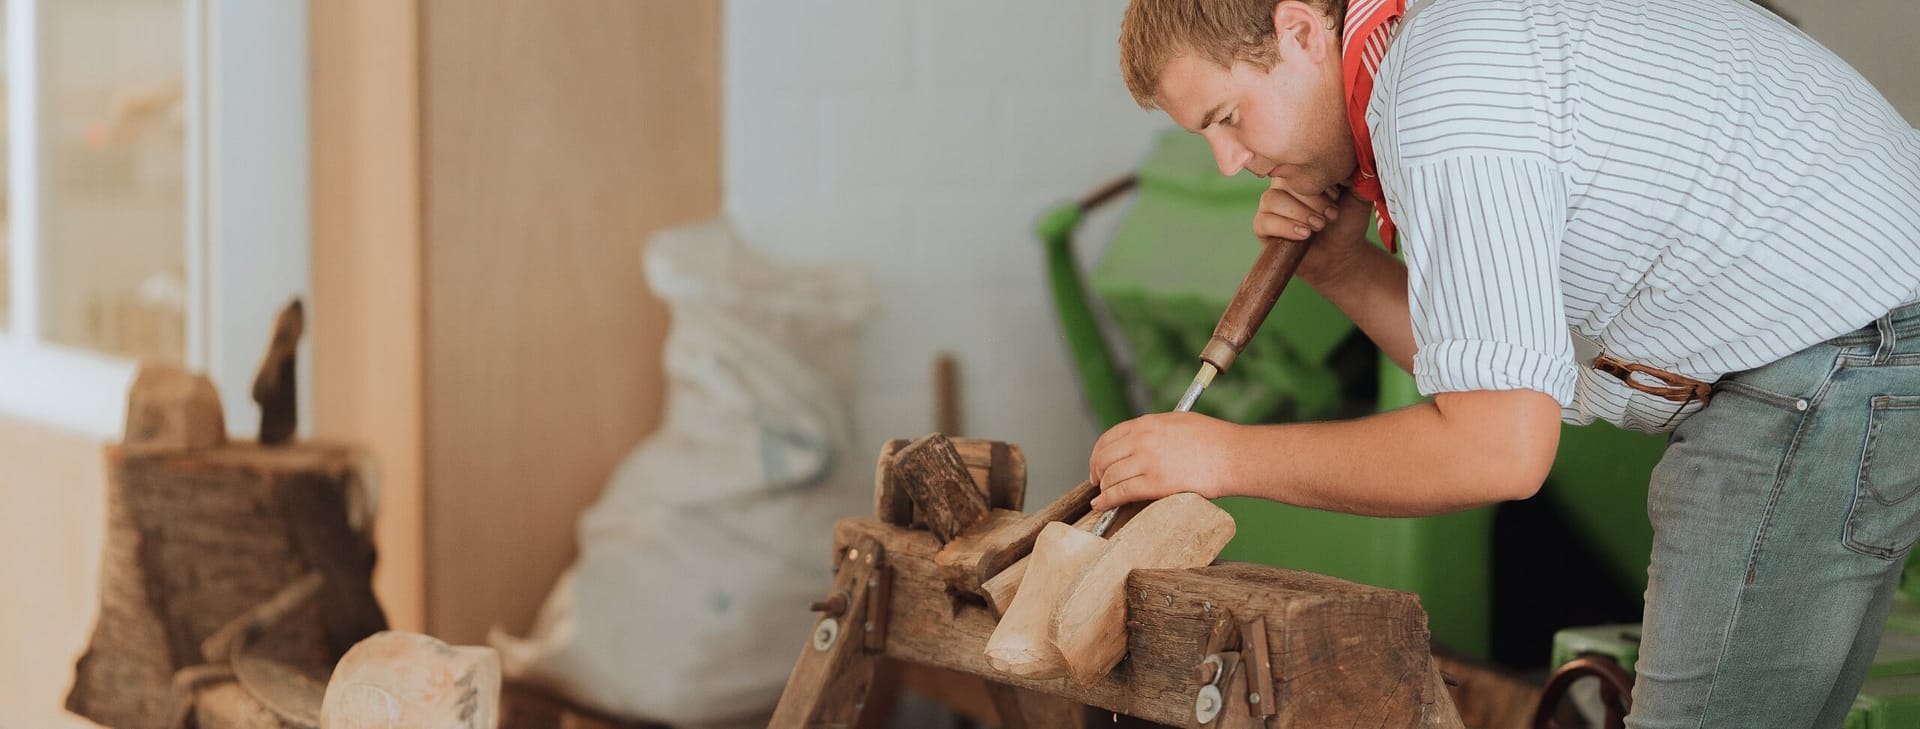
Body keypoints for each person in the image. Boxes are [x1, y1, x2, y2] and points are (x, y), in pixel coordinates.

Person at [1088, 0, 1920, 726]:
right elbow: (1501, 379)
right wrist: (1342, 267)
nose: (1230, 163)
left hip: (1834, 357)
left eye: (1227, 118)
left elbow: (1497, 448)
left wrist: (1217, 453)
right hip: (1854, 342)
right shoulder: (1434, 50)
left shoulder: (1444, 100)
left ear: (1299, 29)